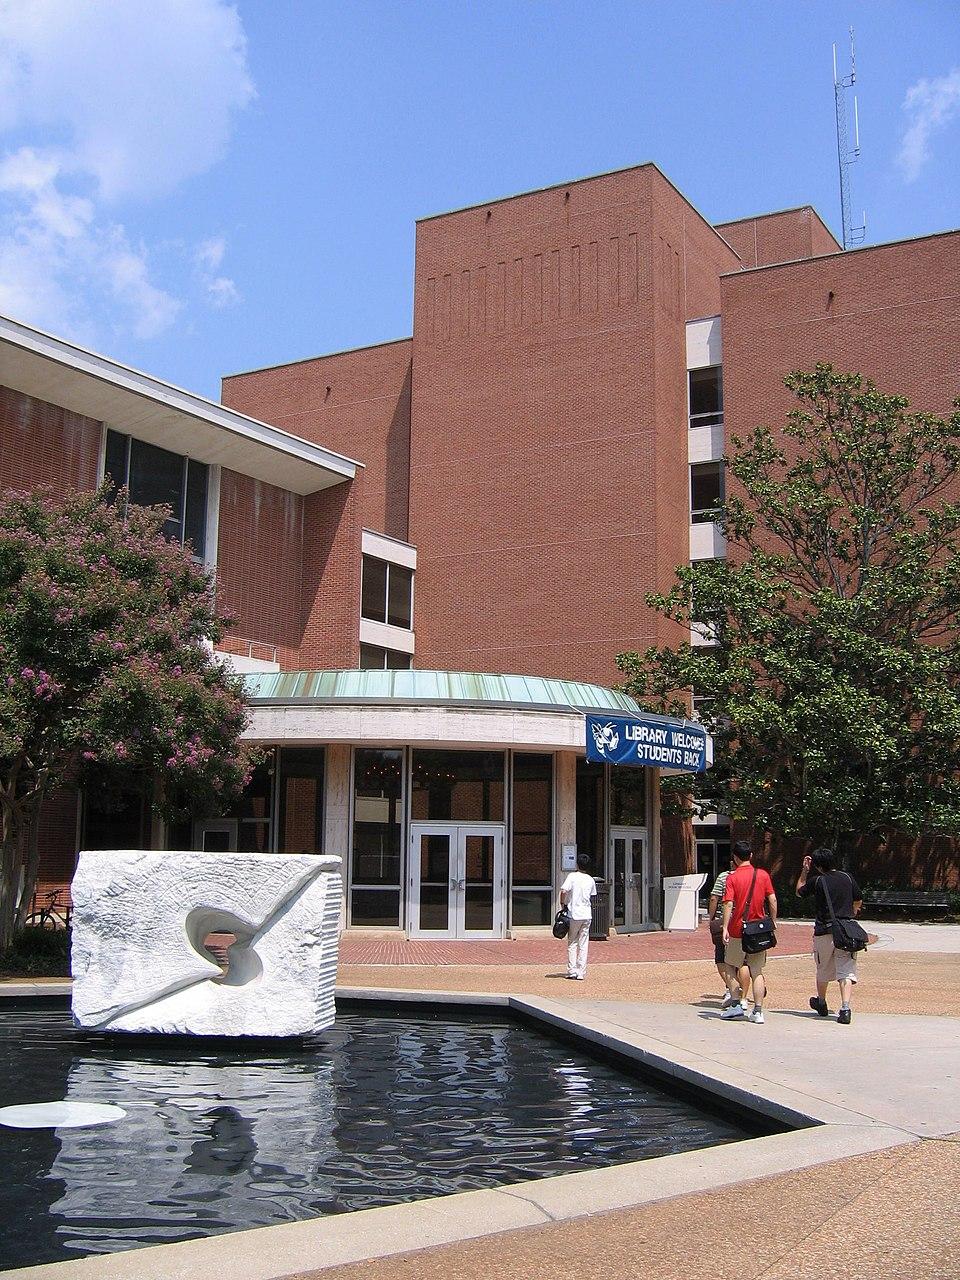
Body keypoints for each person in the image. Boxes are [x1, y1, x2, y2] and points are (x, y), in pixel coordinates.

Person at [796, 847, 863, 1024]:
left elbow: (799, 891)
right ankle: (845, 1008)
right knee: (846, 971)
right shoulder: (848, 878)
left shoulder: (817, 881)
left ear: (818, 866)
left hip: (824, 931)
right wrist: (853, 911)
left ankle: (822, 1002)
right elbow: (858, 899)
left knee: (823, 968)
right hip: (845, 931)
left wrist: (804, 870)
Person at [720, 840, 777, 1024]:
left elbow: (728, 903)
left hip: (738, 928)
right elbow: (772, 899)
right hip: (758, 928)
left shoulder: (732, 878)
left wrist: (725, 927)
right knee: (757, 971)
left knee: (730, 965)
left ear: (735, 858)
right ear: (751, 856)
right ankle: (758, 1011)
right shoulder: (762, 875)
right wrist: (773, 922)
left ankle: (736, 1003)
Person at [559, 853, 597, 980]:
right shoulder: (590, 879)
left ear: (577, 864)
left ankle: (572, 970)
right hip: (587, 914)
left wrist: (562, 904)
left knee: (572, 942)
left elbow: (564, 891)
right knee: (584, 943)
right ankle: (581, 971)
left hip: (574, 913)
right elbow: (592, 895)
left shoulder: (572, 876)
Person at [707, 856, 739, 1007]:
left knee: (721, 958)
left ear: (733, 862)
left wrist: (711, 917)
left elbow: (714, 898)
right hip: (745, 921)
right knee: (744, 960)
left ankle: (731, 988)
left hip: (724, 922)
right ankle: (750, 988)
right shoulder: (755, 875)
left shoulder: (724, 877)